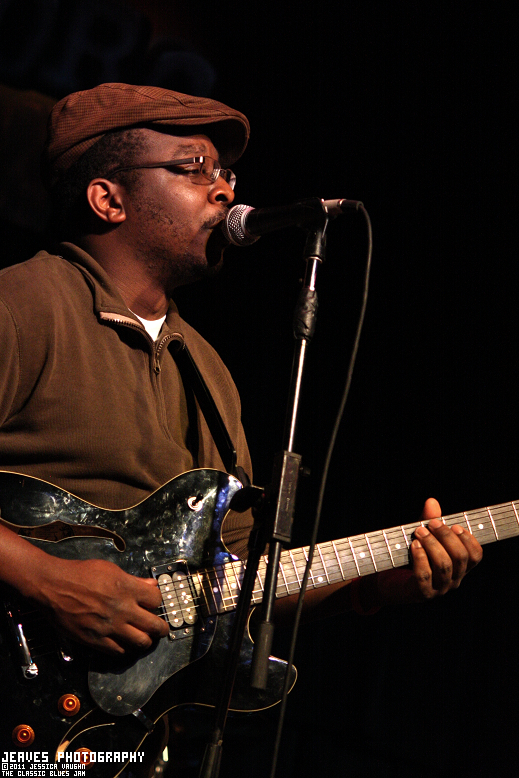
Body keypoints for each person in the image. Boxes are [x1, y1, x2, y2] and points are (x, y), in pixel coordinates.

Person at [0, 83, 482, 767]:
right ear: (108, 199)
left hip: (112, 741)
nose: (224, 189)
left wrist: (374, 586)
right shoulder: (22, 305)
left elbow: (239, 578)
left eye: (225, 172)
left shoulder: (207, 370)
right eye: (193, 168)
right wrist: (48, 581)